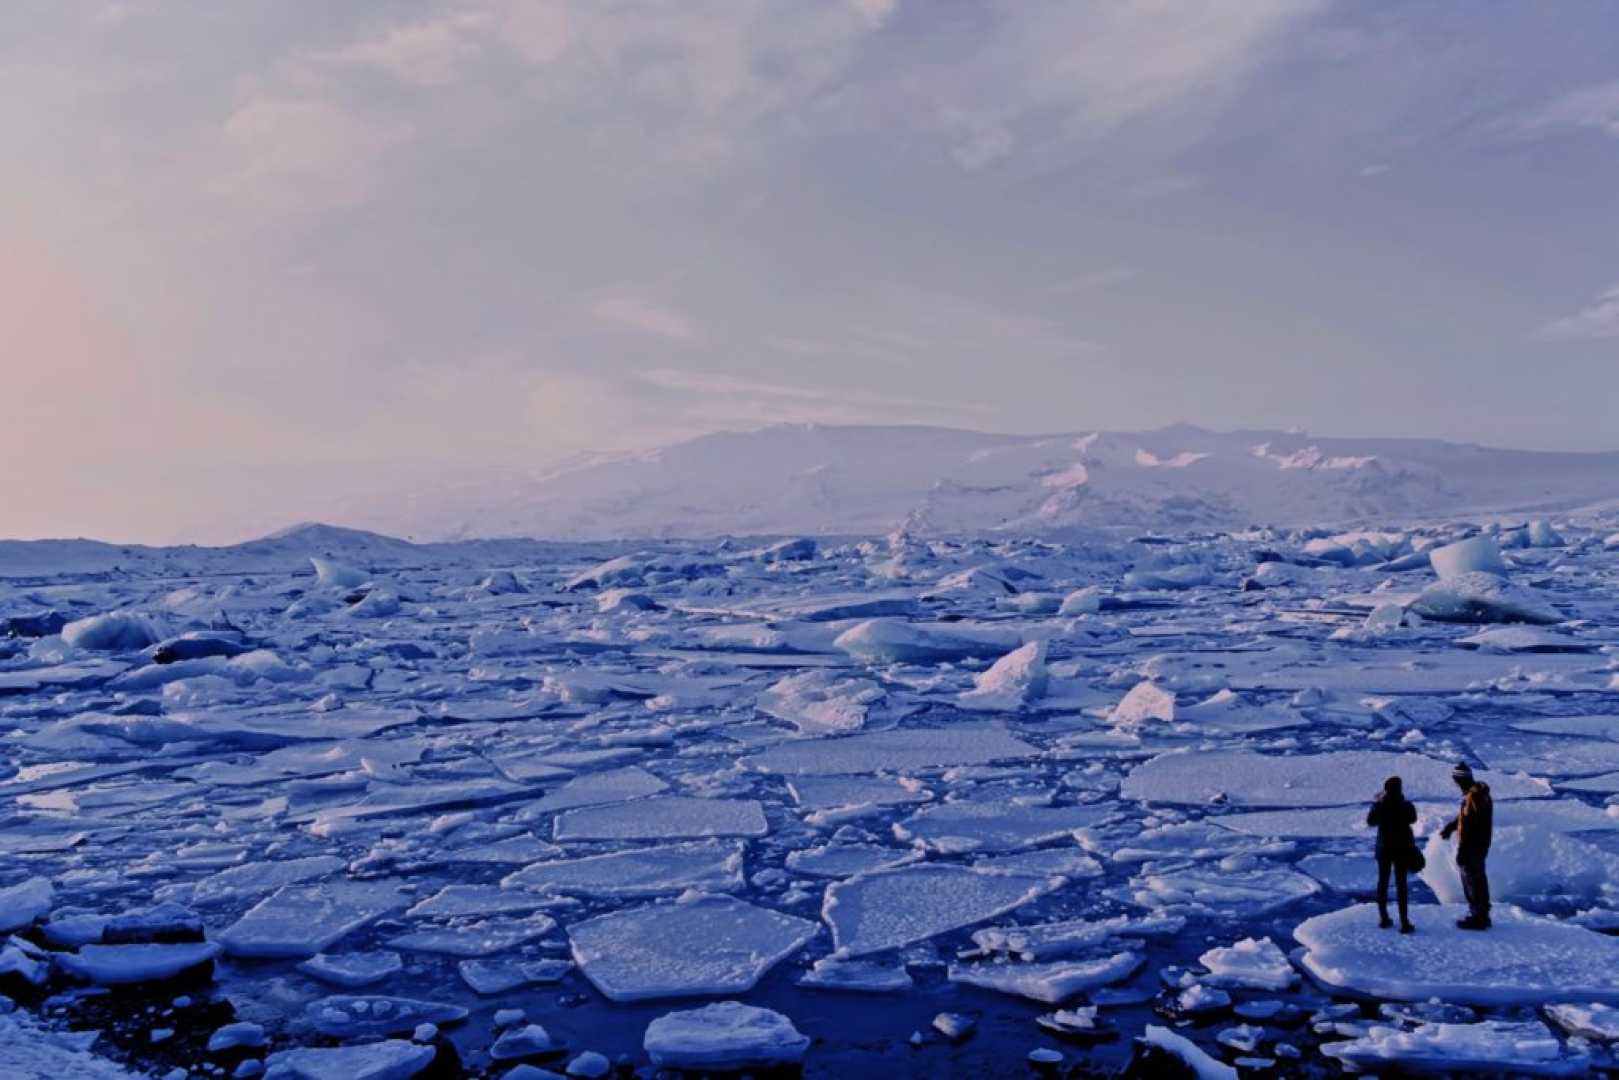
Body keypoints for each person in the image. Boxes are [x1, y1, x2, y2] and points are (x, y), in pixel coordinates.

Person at [1440, 761, 1493, 930]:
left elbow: (1473, 823)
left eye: (1456, 780)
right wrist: (1451, 827)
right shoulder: (1474, 795)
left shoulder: (1474, 797)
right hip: (1478, 844)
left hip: (1473, 846)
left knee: (1472, 879)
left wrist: (1463, 849)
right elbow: (1466, 818)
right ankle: (1481, 914)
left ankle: (1478, 917)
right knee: (1477, 878)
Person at [1366, 775, 1417, 933]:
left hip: (1384, 850)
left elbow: (1370, 821)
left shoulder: (1380, 806)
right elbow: (1413, 819)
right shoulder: (1406, 805)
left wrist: (1376, 804)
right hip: (1401, 849)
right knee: (1401, 885)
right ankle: (1404, 922)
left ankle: (1384, 918)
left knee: (1383, 883)